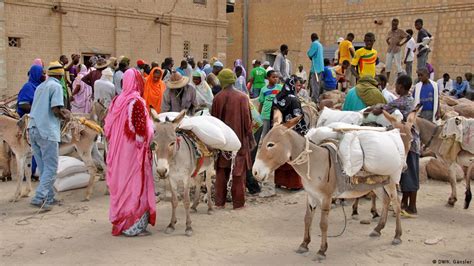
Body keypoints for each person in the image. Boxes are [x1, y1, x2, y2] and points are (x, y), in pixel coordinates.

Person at [104, 68, 156, 236]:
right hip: (133, 154)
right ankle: (132, 225)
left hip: (117, 153)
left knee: (121, 184)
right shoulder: (136, 102)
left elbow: (108, 129)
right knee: (134, 185)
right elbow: (141, 132)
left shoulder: (116, 101)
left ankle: (121, 220)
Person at [373, 75, 419, 216]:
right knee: (412, 173)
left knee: (408, 173)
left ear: (401, 86)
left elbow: (380, 110)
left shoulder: (400, 102)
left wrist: (377, 109)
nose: (395, 88)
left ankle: (412, 206)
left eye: (397, 85)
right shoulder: (411, 99)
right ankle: (406, 203)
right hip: (414, 139)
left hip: (406, 142)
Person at [28, 61, 71, 211]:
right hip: (46, 130)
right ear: (60, 75)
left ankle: (49, 197)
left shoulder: (41, 86)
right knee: (51, 167)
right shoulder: (56, 86)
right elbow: (54, 109)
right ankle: (39, 197)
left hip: (33, 128)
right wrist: (65, 116)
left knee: (43, 166)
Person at [211, 69, 255, 210]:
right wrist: (251, 138)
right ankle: (238, 204)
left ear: (222, 81)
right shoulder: (242, 98)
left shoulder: (217, 98)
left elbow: (213, 122)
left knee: (221, 172)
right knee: (238, 173)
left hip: (222, 142)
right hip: (239, 142)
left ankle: (219, 203)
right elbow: (248, 123)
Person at [272, 77, 308, 191]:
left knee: (280, 156)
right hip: (291, 135)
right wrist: (304, 133)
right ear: (292, 86)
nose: (299, 87)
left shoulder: (277, 98)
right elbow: (298, 119)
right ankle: (294, 184)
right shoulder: (294, 100)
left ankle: (279, 182)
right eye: (297, 85)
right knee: (293, 158)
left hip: (278, 134)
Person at [258, 70, 282, 139]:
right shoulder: (263, 89)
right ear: (268, 78)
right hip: (266, 114)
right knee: (265, 134)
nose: (275, 79)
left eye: (277, 77)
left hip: (276, 115)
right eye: (273, 77)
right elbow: (261, 103)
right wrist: (259, 115)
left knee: (275, 133)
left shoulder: (280, 87)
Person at [307, 33, 324, 102]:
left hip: (316, 68)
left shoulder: (314, 44)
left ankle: (314, 99)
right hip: (320, 67)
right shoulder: (320, 45)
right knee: (318, 83)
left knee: (314, 84)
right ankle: (316, 98)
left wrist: (308, 51)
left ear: (312, 38)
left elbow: (310, 53)